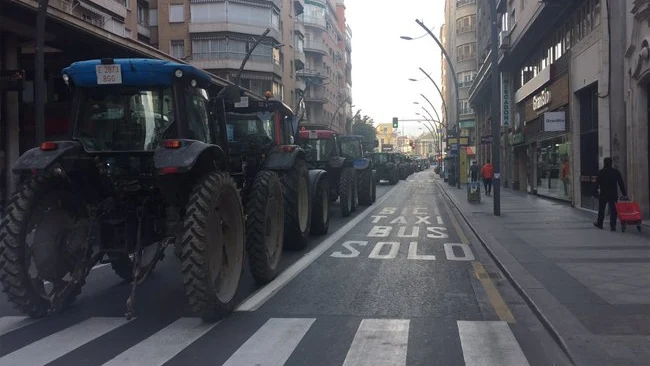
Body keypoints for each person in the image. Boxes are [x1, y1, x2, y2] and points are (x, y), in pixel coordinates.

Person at [593, 157, 626, 231]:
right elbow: (621, 183)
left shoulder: (601, 172)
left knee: (601, 209)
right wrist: (624, 193)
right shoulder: (616, 172)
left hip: (603, 194)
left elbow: (596, 183)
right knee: (613, 210)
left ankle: (600, 223)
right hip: (613, 194)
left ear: (604, 163)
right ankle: (613, 225)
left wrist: (594, 192)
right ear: (611, 163)